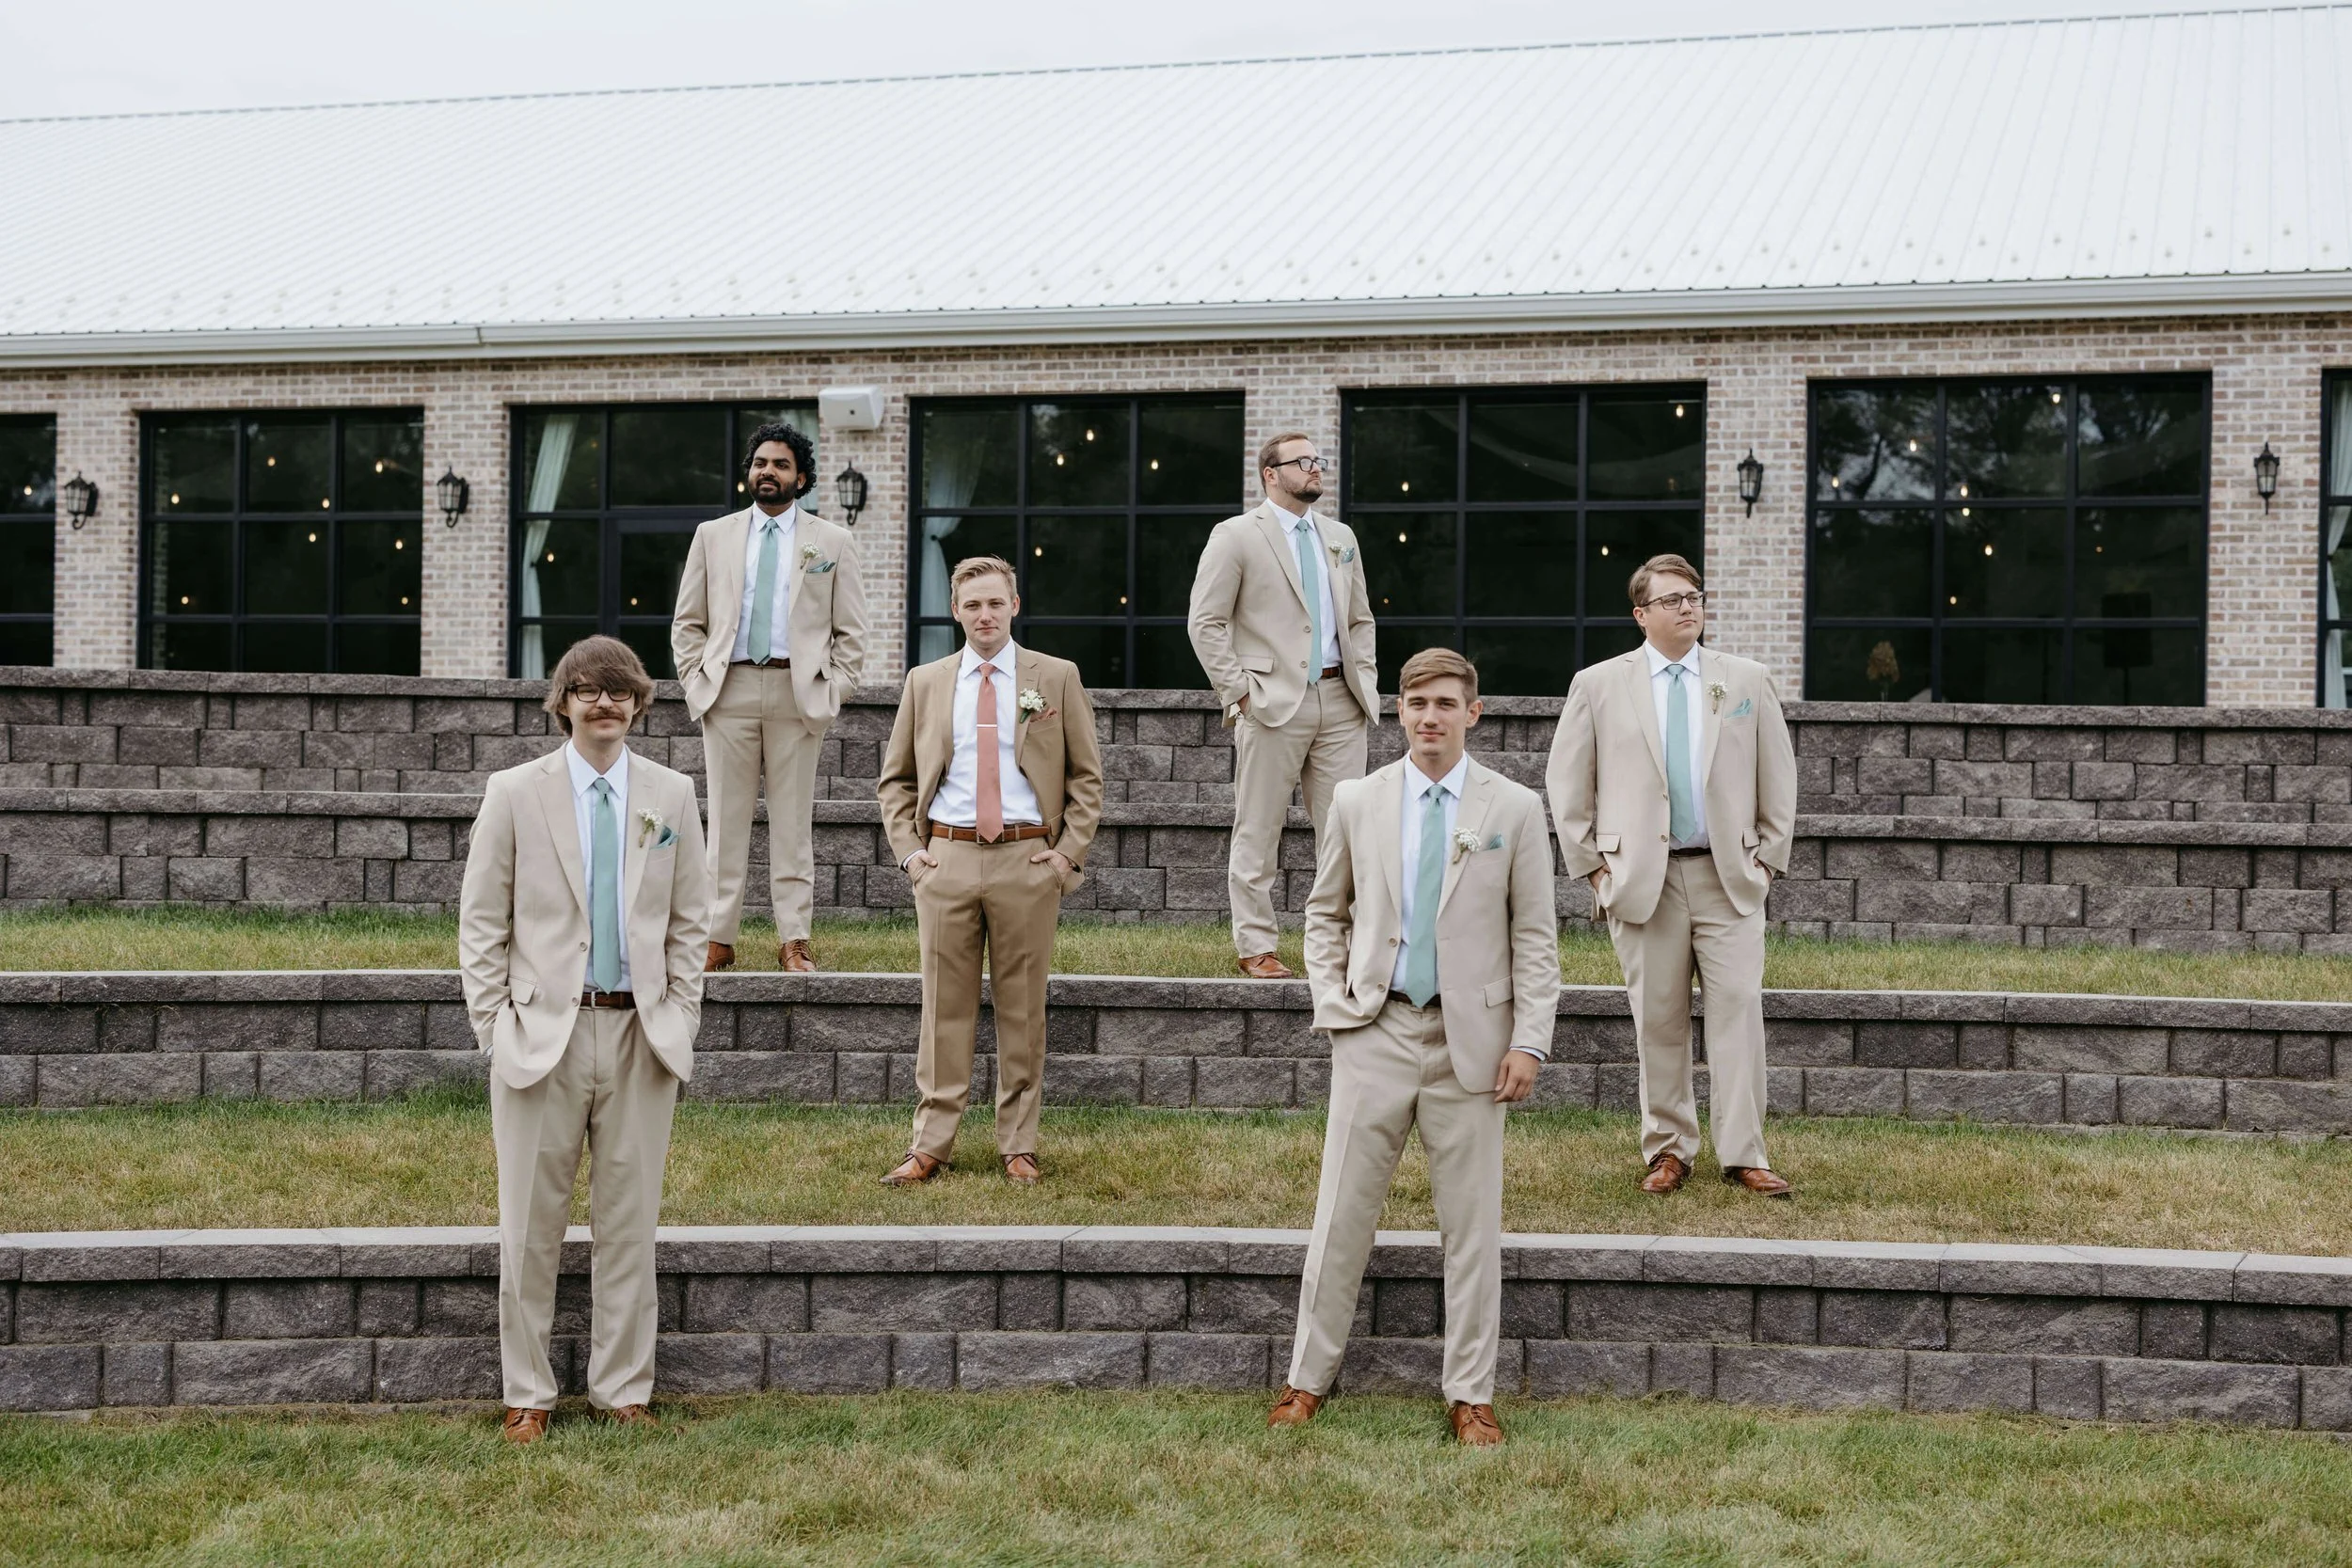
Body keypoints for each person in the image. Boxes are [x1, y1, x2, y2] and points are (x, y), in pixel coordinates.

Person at [1269, 647, 1558, 1447]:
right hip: (1377, 1029)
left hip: (1475, 1045)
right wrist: (1336, 1005)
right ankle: (1307, 1379)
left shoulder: (1514, 808)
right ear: (1399, 710)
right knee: (1340, 1216)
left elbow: (1535, 936)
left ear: (1474, 712)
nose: (1430, 716)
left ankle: (1471, 1393)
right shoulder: (1357, 799)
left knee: (1472, 1228)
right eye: (1417, 702)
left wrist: (1530, 1040)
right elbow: (1325, 913)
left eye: (1446, 703)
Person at [458, 636, 711, 1443]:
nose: (605, 703)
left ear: (639, 704)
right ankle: (528, 1392)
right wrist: (494, 1026)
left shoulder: (672, 794)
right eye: (588, 690)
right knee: (529, 1226)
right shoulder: (514, 792)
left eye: (620, 691)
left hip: (641, 1033)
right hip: (542, 1037)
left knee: (629, 1223)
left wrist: (680, 1012)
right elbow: (482, 920)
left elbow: (690, 918)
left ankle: (622, 1389)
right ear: (563, 702)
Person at [1545, 553, 1797, 1198]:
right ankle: (1668, 1149)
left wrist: (1768, 859)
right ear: (1641, 614)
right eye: (1672, 599)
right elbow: (1568, 784)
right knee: (1658, 1021)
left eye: (1694, 596)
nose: (1687, 607)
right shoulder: (1598, 684)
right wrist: (1595, 870)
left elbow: (1779, 774)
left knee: (1738, 1013)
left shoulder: (1747, 679)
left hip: (1728, 877)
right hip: (1642, 882)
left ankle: (1745, 1153)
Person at [874, 555, 1104, 1186]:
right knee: (942, 1009)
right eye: (972, 605)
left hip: (1026, 860)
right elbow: (896, 781)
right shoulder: (926, 681)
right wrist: (912, 855)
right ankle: (930, 1143)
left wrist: (1065, 856)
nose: (984, 615)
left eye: (995, 603)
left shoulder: (1055, 677)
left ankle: (1018, 1143)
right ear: (955, 610)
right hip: (945, 859)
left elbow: (1087, 778)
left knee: (1022, 1009)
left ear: (1014, 606)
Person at [671, 420, 868, 974]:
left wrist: (833, 690)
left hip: (797, 695)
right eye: (760, 463)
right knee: (724, 824)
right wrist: (696, 680)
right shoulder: (713, 535)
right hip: (728, 691)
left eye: (781, 464)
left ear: (800, 478)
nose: (768, 472)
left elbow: (852, 633)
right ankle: (717, 938)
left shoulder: (833, 542)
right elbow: (688, 622)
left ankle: (794, 939)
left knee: (793, 825)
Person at [1186, 431, 1378, 979]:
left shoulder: (1340, 537)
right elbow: (1205, 621)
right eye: (1303, 461)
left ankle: (1342, 946)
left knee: (1347, 830)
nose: (1316, 468)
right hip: (1270, 702)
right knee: (1259, 827)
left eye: (1318, 460)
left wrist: (1364, 678)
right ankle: (1256, 945)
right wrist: (1240, 692)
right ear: (1271, 474)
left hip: (1342, 700)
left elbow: (1360, 619)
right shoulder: (1235, 535)